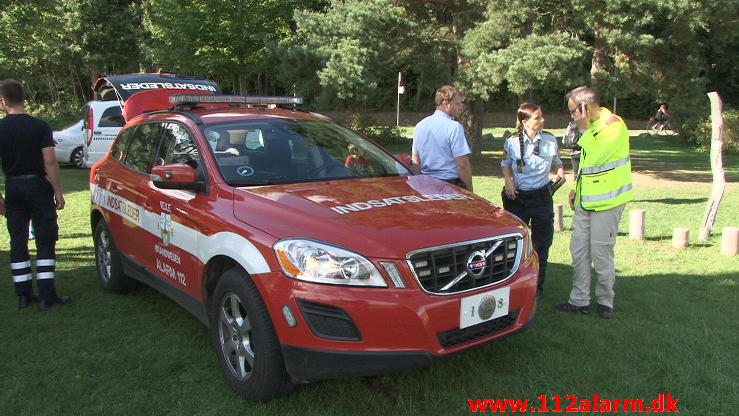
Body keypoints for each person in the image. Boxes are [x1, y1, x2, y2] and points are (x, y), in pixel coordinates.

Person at [556, 86, 633, 319]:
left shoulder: (613, 125)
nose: (572, 117)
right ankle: (579, 300)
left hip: (608, 203)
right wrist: (574, 189)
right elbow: (587, 165)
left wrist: (583, 129)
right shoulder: (590, 128)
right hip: (585, 201)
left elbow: (598, 155)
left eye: (573, 112)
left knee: (601, 253)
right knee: (578, 251)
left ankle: (605, 301)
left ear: (584, 108)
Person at [0, 79, 70, 310]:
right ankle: (47, 295)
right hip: (38, 186)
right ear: (23, 97)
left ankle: (23, 295)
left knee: (18, 240)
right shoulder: (40, 126)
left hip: (13, 187)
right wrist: (58, 191)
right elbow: (49, 161)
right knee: (45, 239)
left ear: (3, 101)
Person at [501, 103, 564, 296]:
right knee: (513, 245)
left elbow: (556, 162)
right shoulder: (511, 141)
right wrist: (509, 181)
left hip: (542, 199)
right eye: (537, 117)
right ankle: (511, 286)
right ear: (524, 121)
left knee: (542, 244)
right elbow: (505, 163)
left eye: (541, 116)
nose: (542, 120)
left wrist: (560, 172)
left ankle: (537, 288)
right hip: (518, 200)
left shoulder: (549, 140)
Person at [412, 85, 473, 191]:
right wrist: (469, 189)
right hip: (449, 187)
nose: (461, 107)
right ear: (445, 104)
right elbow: (462, 164)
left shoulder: (420, 126)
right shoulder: (454, 127)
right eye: (457, 104)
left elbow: (416, 162)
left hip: (425, 186)